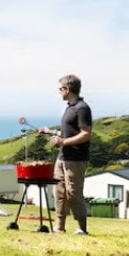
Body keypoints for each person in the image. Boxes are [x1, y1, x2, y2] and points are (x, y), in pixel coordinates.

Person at [38, 74, 92, 235]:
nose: (59, 92)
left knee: (74, 193)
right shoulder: (70, 108)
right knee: (59, 193)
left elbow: (85, 134)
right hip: (62, 158)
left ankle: (82, 228)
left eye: (60, 89)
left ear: (67, 89)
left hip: (76, 159)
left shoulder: (82, 108)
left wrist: (62, 142)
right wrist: (50, 132)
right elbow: (69, 132)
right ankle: (59, 228)